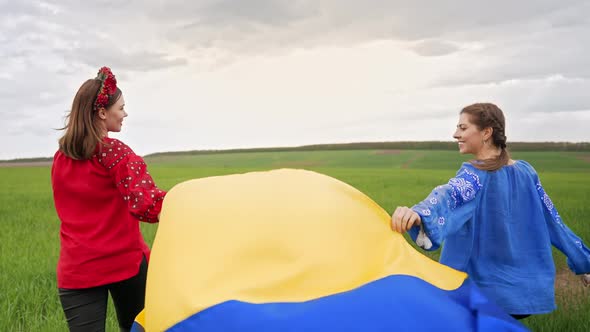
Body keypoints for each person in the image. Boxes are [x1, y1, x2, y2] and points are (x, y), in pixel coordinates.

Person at [390, 102, 590, 319]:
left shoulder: (475, 175)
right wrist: (584, 262)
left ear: (486, 132)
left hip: (483, 294)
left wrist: (418, 213)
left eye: (463, 128)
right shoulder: (526, 172)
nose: (455, 134)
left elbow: (448, 196)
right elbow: (555, 222)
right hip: (520, 294)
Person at [51, 67, 166, 332]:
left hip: (76, 270)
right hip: (125, 265)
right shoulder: (115, 153)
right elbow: (147, 205)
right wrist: (187, 200)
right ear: (102, 113)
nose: (125, 114)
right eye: (121, 108)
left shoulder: (61, 157)